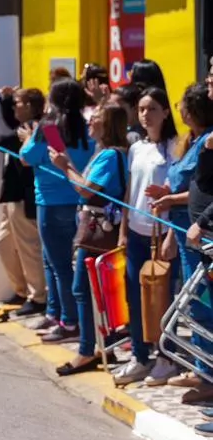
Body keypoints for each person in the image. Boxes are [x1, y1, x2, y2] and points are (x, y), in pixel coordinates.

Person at [48, 102, 130, 375]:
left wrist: (63, 166)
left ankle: (86, 351)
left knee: (82, 289)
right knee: (96, 292)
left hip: (97, 230)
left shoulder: (108, 155)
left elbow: (85, 190)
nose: (90, 122)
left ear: (107, 125)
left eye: (95, 118)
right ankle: (102, 347)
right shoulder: (110, 152)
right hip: (102, 226)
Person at [151, 82, 213, 402]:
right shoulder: (192, 141)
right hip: (183, 230)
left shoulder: (207, 142)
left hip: (198, 232)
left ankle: (208, 375)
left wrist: (170, 198)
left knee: (201, 304)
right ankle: (202, 366)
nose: (179, 110)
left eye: (183, 105)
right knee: (194, 302)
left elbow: (201, 190)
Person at [20, 79, 95, 342]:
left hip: (50, 204)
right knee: (59, 263)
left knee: (59, 265)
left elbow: (26, 157)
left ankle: (68, 321)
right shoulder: (86, 127)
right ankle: (56, 312)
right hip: (77, 202)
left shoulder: (50, 129)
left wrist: (29, 137)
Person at [114, 86, 179, 387]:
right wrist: (123, 230)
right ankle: (140, 356)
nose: (145, 114)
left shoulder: (176, 147)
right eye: (141, 109)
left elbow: (178, 195)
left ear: (166, 111)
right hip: (137, 232)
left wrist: (172, 236)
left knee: (163, 299)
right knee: (135, 297)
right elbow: (130, 191)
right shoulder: (136, 148)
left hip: (162, 233)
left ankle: (166, 357)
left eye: (152, 108)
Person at [0, 86, 46, 314]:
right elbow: (10, 120)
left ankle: (38, 297)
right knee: (4, 244)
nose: (13, 106)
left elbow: (1, 138)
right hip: (12, 197)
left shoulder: (33, 129)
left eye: (17, 102)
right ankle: (23, 291)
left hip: (24, 197)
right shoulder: (23, 125)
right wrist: (5, 98)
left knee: (29, 248)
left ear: (30, 107)